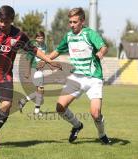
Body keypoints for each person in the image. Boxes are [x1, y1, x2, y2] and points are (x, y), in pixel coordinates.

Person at [0, 5, 61, 150]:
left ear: (11, 20)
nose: (2, 24)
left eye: (5, 22)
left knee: (7, 104)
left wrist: (48, 60)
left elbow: (34, 49)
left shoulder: (18, 35)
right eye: (0, 21)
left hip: (4, 76)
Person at [47, 7, 111, 144]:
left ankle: (102, 135)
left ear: (82, 21)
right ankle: (77, 125)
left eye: (75, 22)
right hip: (76, 77)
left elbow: (103, 46)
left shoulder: (89, 34)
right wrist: (45, 60)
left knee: (95, 113)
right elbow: (57, 51)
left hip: (93, 78)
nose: (72, 25)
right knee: (60, 107)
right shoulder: (69, 36)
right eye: (70, 22)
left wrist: (101, 53)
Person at [18, 31, 48, 115]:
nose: (40, 39)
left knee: (40, 90)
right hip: (34, 69)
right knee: (40, 89)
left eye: (41, 38)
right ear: (35, 38)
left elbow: (44, 57)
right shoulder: (33, 46)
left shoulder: (45, 46)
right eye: (38, 38)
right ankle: (36, 111)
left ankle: (23, 101)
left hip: (40, 70)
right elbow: (29, 59)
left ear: (44, 38)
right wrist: (27, 72)